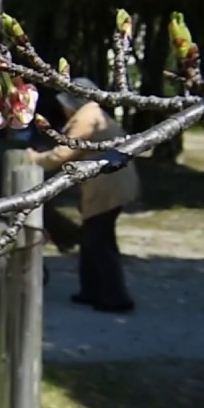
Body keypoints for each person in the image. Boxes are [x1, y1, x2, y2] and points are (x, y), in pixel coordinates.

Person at [26, 77, 140, 313]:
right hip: (109, 184)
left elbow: (63, 153)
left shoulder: (87, 118)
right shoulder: (91, 114)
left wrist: (34, 158)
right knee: (94, 240)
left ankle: (116, 297)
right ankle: (92, 291)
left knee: (98, 242)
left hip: (108, 186)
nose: (63, 109)